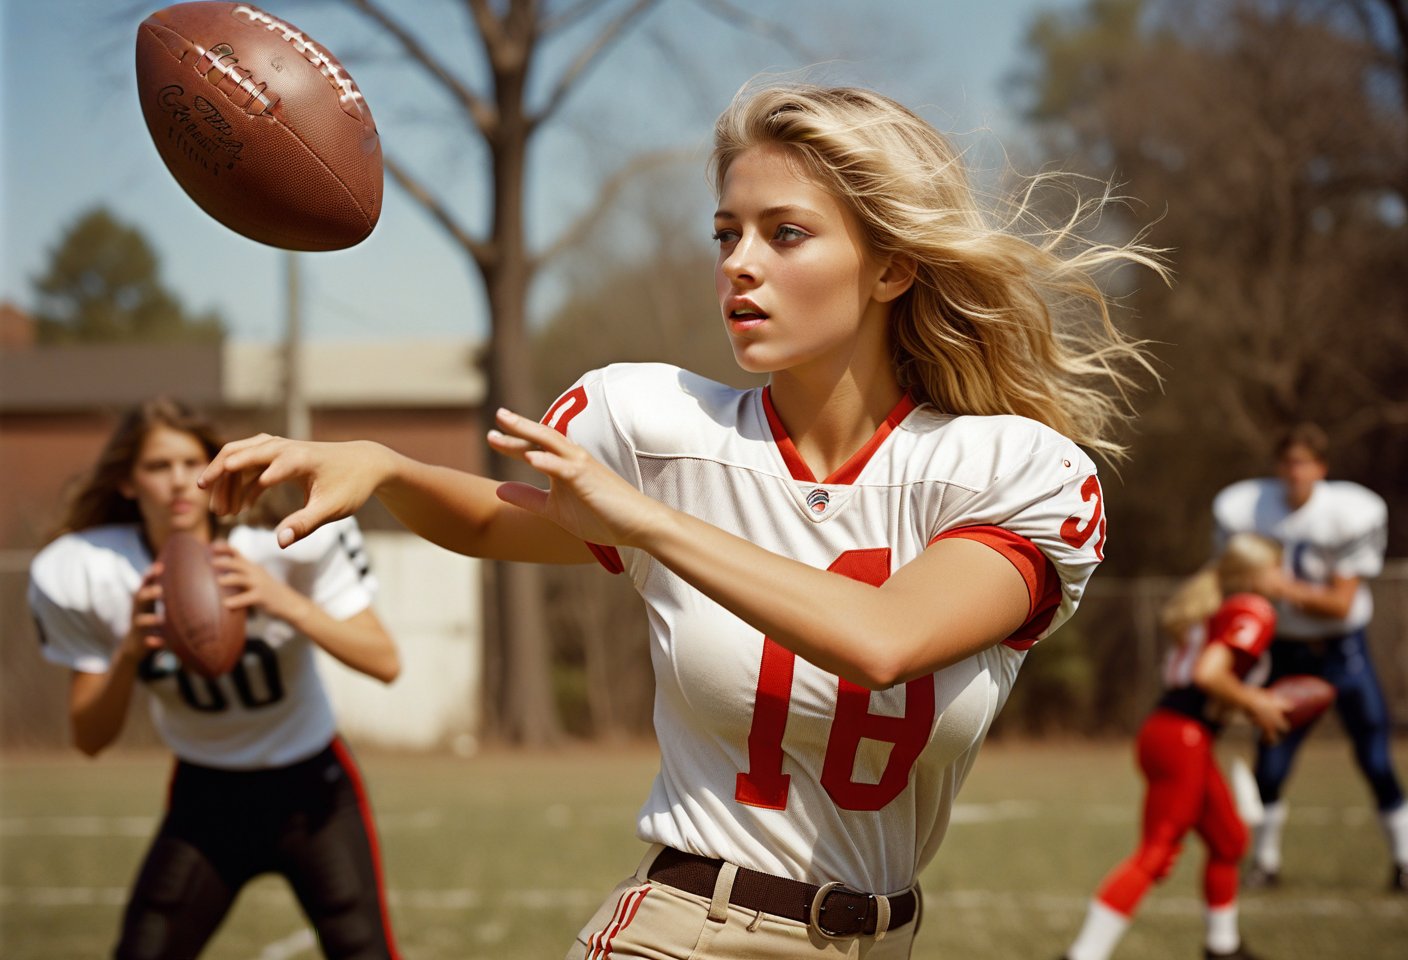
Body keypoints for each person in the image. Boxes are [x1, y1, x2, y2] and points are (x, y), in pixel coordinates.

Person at [199, 83, 1166, 959]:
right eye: (725, 234)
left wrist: (646, 523)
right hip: (685, 932)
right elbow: (506, 526)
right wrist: (386, 468)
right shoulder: (659, 427)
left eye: (785, 234)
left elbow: (885, 641)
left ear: (891, 270)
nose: (739, 265)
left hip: (881, 940)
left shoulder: (1011, 469)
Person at [27, 398, 403, 960]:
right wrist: (129, 650)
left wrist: (286, 603)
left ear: (215, 468)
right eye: (158, 466)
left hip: (312, 787)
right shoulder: (91, 572)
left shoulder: (281, 543)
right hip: (207, 796)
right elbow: (90, 739)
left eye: (189, 463)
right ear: (128, 482)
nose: (178, 481)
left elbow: (385, 661)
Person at [1061, 534, 1292, 960]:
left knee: (1228, 841)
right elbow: (1208, 674)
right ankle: (1083, 955)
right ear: (1254, 575)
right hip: (1181, 736)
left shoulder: (1216, 607)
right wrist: (1256, 701)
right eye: (1279, 567)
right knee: (1156, 851)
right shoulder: (1253, 609)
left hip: (1177, 733)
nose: (1286, 577)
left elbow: (1205, 686)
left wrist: (1246, 705)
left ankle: (1222, 947)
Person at [1212, 423, 1407, 892]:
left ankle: (1403, 861)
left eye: (1303, 463)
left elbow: (1340, 603)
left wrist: (1280, 587)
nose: (1294, 473)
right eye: (1287, 462)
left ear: (1321, 468)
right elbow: (1228, 578)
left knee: (1376, 758)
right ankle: (1265, 863)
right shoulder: (1249, 508)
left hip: (1344, 652)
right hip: (1286, 649)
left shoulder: (1349, 513)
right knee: (1272, 762)